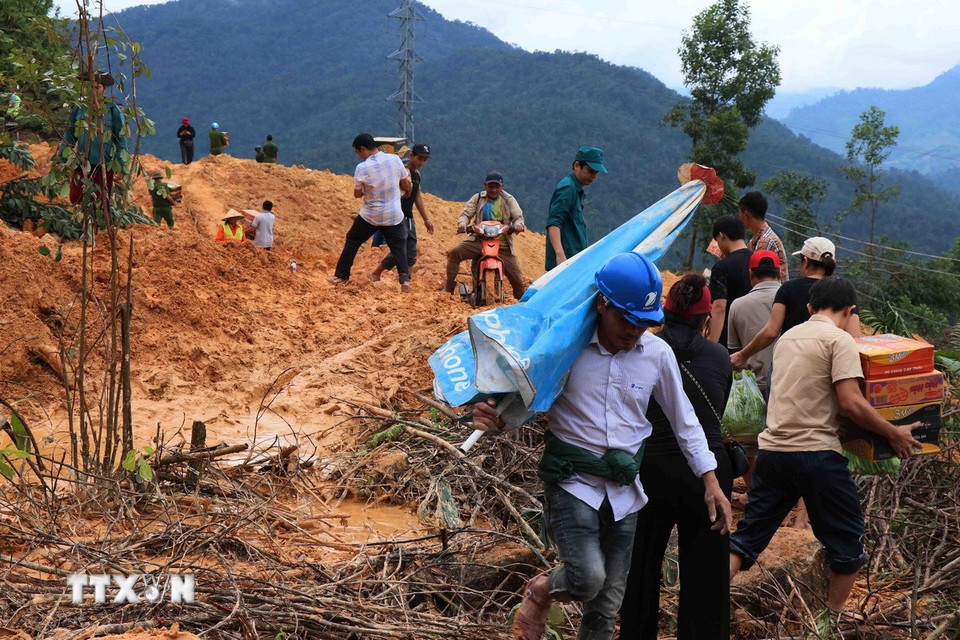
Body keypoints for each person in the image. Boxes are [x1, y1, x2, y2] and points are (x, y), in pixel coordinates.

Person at [472, 252, 732, 640]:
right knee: (588, 577)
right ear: (601, 304)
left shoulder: (657, 355)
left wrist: (710, 481)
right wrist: (491, 419)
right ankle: (541, 590)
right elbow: (517, 406)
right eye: (625, 319)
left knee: (608, 605)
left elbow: (685, 422)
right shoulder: (565, 350)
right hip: (572, 480)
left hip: (626, 488)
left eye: (642, 324)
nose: (633, 331)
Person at [729, 277, 922, 638]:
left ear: (808, 308)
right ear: (850, 312)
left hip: (772, 451)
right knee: (848, 544)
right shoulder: (839, 341)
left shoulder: (787, 338)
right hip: (817, 455)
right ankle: (827, 627)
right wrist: (893, 433)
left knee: (747, 538)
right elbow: (850, 402)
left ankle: (703, 609)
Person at [620, 273, 733, 640]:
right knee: (707, 578)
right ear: (705, 320)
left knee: (640, 569)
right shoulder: (719, 358)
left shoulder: (644, 351)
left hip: (649, 469)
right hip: (708, 473)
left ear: (663, 313)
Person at [731, 237, 860, 371]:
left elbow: (771, 332)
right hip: (830, 365)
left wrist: (743, 355)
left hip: (791, 365)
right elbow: (854, 337)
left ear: (805, 262)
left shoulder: (788, 289)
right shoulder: (845, 291)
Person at [327, 133, 413, 292]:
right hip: (394, 214)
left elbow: (357, 194)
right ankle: (405, 281)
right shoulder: (394, 159)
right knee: (399, 248)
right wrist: (406, 191)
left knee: (353, 240)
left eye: (357, 153)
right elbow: (406, 184)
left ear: (363, 149)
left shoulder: (362, 168)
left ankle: (342, 276)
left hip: (371, 216)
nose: (359, 156)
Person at [440, 171, 526, 299]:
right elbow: (466, 214)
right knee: (455, 253)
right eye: (491, 186)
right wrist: (462, 224)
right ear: (485, 185)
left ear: (502, 187)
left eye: (497, 187)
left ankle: (522, 304)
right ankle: (449, 287)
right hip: (479, 240)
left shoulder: (508, 200)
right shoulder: (478, 198)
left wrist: (518, 225)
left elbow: (518, 216)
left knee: (518, 281)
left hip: (502, 245)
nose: (494, 190)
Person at [58, 71, 127, 207]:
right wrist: (62, 158)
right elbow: (70, 135)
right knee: (76, 197)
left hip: (104, 163)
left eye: (97, 88)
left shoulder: (112, 110)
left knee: (101, 201)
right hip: (82, 161)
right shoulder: (79, 109)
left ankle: (98, 227)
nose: (94, 91)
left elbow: (120, 140)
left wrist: (122, 166)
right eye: (91, 87)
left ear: (104, 89)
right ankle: (81, 224)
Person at [370, 142, 434, 282]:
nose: (422, 162)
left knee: (410, 249)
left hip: (408, 216)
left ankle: (406, 279)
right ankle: (378, 273)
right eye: (419, 159)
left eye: (425, 160)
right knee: (401, 246)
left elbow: (417, 196)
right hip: (396, 214)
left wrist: (426, 219)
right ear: (411, 156)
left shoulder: (416, 175)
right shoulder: (400, 172)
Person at [727, 250, 782, 397]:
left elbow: (736, 355)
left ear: (751, 274)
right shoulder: (790, 300)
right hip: (786, 384)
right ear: (779, 274)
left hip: (753, 387)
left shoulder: (737, 305)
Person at [545, 146, 607, 271]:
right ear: (577, 166)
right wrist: (560, 256)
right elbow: (554, 223)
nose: (593, 176)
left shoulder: (575, 189)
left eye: (596, 173)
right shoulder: (567, 188)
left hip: (574, 259)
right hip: (565, 262)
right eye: (590, 171)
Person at [707, 214, 752, 347]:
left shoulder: (722, 267)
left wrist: (712, 346)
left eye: (717, 241)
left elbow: (719, 307)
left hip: (729, 338)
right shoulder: (758, 261)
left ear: (722, 236)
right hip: (753, 335)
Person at [739, 191, 789, 281]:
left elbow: (754, 273)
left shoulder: (765, 241)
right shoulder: (757, 240)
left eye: (741, 215)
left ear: (746, 215)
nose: (740, 218)